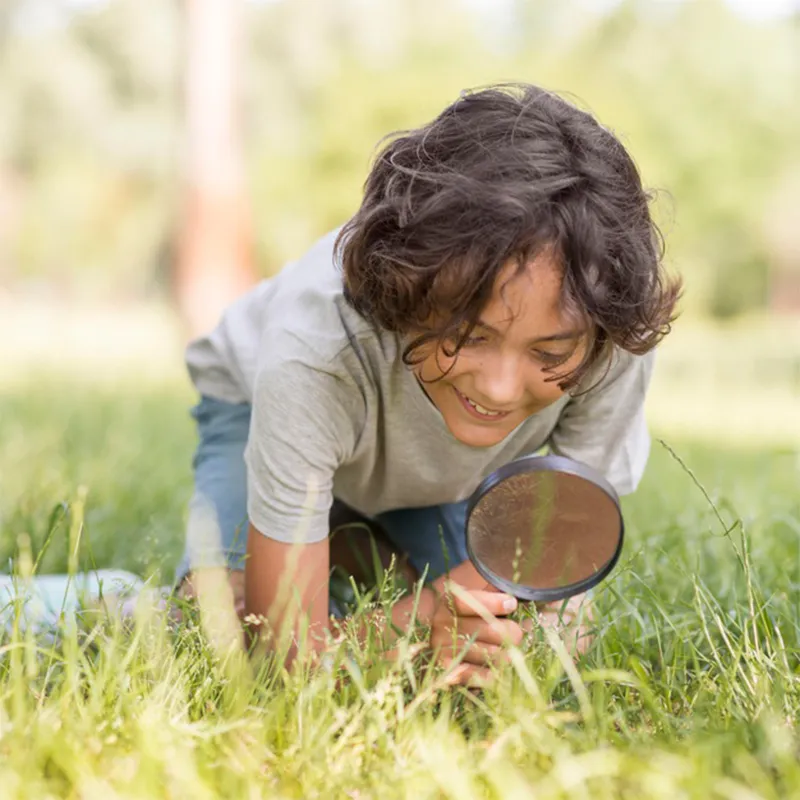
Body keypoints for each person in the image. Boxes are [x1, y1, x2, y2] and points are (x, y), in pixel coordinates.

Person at [177, 83, 681, 686]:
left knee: (504, 630)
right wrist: (424, 616)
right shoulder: (316, 352)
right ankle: (105, 600)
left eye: (548, 352)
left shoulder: (607, 329)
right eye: (468, 335)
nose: (497, 389)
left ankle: (342, 544)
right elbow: (286, 659)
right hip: (256, 403)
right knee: (221, 636)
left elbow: (563, 580)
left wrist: (518, 626)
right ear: (408, 287)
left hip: (428, 462)